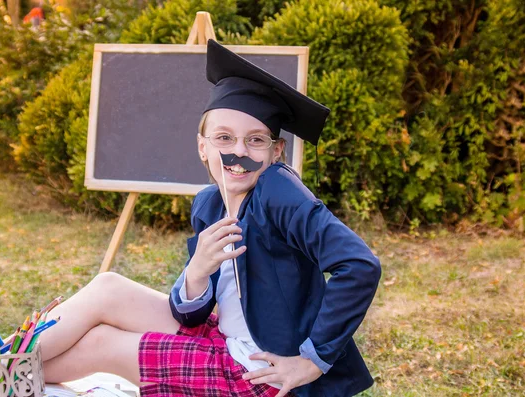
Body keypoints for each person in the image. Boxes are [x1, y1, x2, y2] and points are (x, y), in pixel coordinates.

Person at [38, 40, 381, 397]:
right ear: (203, 146)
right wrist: (197, 272)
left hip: (258, 373)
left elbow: (360, 265)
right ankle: (2, 365)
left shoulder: (277, 191)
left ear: (277, 152)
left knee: (102, 345)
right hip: (229, 339)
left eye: (255, 140)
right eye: (224, 138)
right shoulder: (209, 205)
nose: (238, 152)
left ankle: (2, 373)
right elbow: (192, 316)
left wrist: (312, 361)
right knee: (108, 287)